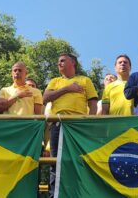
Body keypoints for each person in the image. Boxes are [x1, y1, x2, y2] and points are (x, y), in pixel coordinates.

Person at [43, 53, 98, 198]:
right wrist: (67, 89)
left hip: (78, 127)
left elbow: (93, 104)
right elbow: (45, 98)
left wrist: (88, 124)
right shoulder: (55, 81)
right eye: (58, 61)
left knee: (78, 160)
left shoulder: (85, 80)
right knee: (55, 161)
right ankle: (54, 195)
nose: (58, 63)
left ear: (72, 63)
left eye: (62, 60)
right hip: (57, 124)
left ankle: (78, 193)